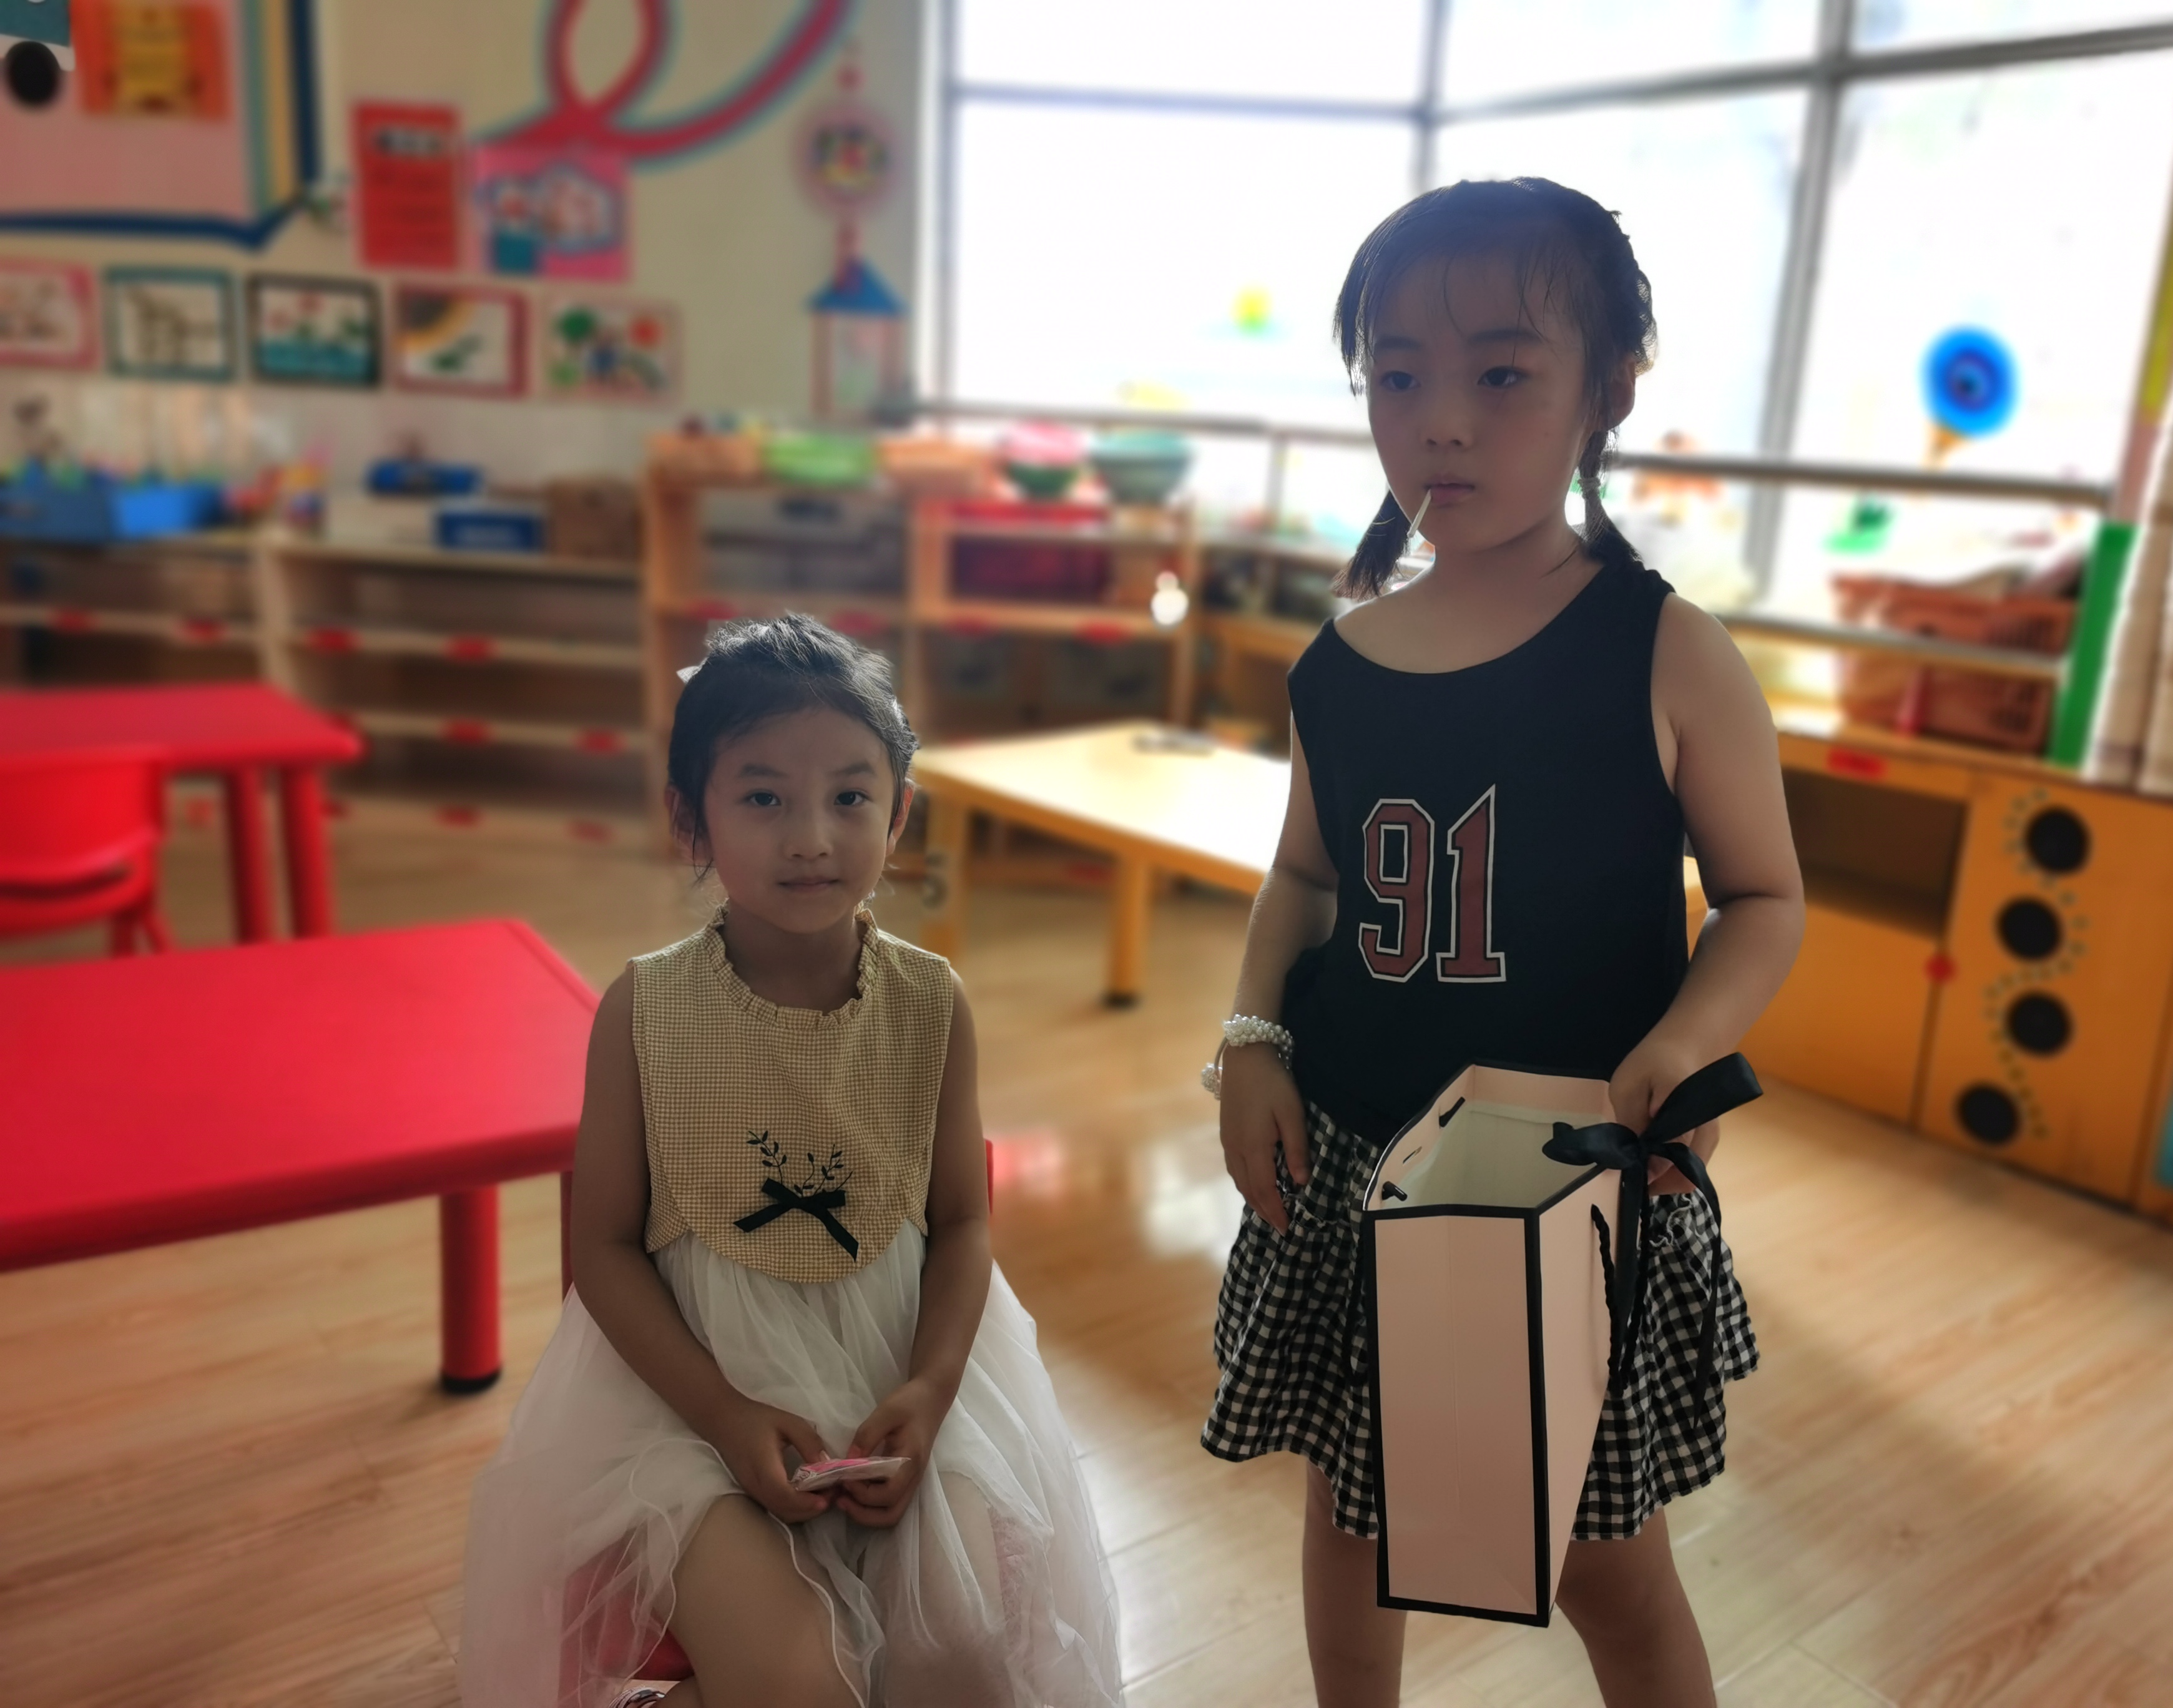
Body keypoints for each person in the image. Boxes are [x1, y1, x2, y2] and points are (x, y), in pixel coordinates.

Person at [1202, 178, 1805, 1708]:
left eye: (1502, 372)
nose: (1443, 423)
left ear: (1610, 391)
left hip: (1575, 1181)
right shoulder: (1341, 659)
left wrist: (1686, 1043)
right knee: (1354, 1514)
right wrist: (1252, 1041)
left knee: (1608, 1562)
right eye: (1399, 375)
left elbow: (1764, 898)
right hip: (1358, 1163)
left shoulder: (1666, 649)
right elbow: (1305, 877)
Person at [459, 616, 1122, 1708]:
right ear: (691, 819)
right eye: (763, 798)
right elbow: (605, 1248)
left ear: (898, 814)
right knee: (797, 1680)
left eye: (850, 797)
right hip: (687, 1402)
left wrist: (929, 1391)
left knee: (955, 1661)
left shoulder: (932, 1003)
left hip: (901, 1376)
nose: (812, 837)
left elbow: (963, 1222)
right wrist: (724, 1415)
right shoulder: (645, 1009)